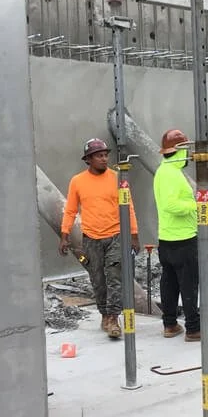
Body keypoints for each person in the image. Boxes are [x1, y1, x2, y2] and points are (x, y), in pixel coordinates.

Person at [60, 137, 139, 340]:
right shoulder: (77, 181)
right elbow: (70, 210)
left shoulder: (117, 178)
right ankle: (104, 314)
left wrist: (134, 234)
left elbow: (128, 206)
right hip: (91, 238)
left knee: (115, 277)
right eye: (99, 156)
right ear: (88, 159)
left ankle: (113, 317)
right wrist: (65, 235)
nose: (104, 159)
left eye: (105, 155)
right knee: (98, 279)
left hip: (115, 236)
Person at [153, 128, 201, 341]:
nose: (189, 155)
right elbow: (171, 204)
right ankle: (193, 328)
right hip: (182, 239)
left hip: (167, 238)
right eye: (186, 150)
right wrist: (195, 204)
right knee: (188, 283)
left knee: (169, 283)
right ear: (179, 151)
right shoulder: (172, 174)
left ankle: (170, 324)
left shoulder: (163, 171)